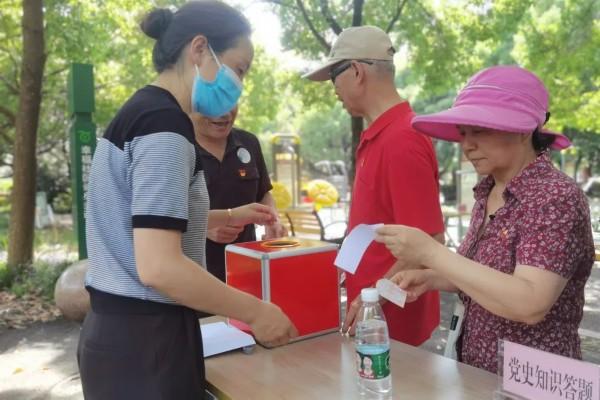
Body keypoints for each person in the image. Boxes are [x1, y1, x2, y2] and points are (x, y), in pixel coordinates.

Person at [78, 2, 297, 399]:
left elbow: (141, 223)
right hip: (148, 343)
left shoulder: (138, 113)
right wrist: (256, 311)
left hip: (118, 336)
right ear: (199, 49)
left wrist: (215, 218)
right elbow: (160, 267)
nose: (239, 84)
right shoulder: (166, 126)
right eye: (239, 68)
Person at [375, 65, 594, 373]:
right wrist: (433, 278)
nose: (467, 145)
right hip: (478, 374)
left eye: (479, 130)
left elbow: (530, 302)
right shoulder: (489, 190)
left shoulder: (555, 197)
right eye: (463, 134)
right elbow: (483, 272)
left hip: (537, 380)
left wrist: (430, 253)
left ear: (520, 129)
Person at [303, 26, 444, 345]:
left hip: (392, 326)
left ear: (355, 71)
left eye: (333, 76)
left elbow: (427, 241)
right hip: (374, 319)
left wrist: (371, 298)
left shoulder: (402, 139)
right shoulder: (379, 136)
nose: (333, 89)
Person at [190, 105, 286, 282]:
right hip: (197, 276)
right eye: (215, 103)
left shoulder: (249, 142)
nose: (224, 113)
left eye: (230, 102)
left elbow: (263, 193)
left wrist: (273, 220)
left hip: (247, 269)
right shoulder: (177, 147)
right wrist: (203, 227)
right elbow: (163, 215)